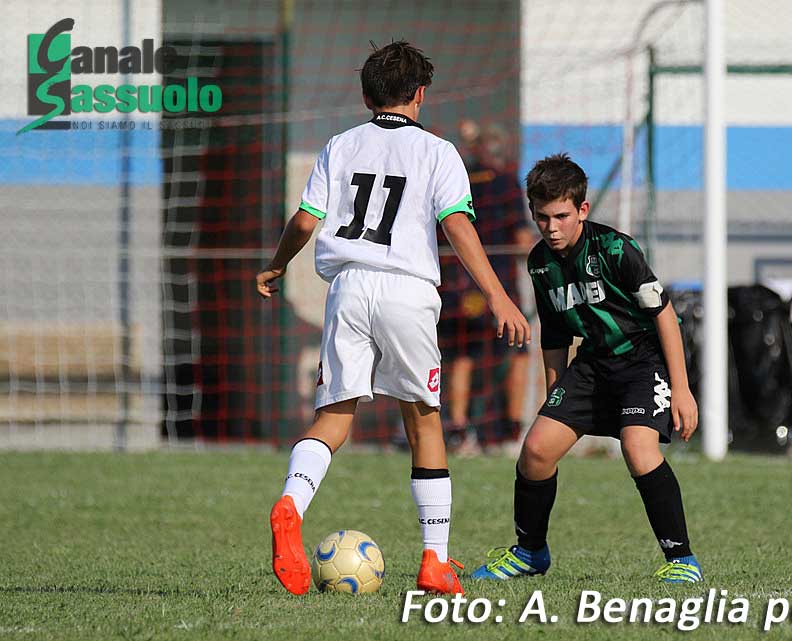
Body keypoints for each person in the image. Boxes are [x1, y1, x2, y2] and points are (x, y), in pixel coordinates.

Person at [256, 41, 530, 596]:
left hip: (348, 288)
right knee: (424, 420)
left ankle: (290, 503)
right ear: (421, 95)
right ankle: (434, 561)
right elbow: (458, 227)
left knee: (334, 415)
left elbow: (306, 223)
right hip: (407, 291)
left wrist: (276, 265)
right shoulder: (439, 152)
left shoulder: (339, 144)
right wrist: (500, 297)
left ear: (365, 95)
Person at [471, 153, 703, 583]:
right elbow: (556, 336)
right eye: (541, 217)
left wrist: (682, 389)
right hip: (592, 367)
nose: (551, 227)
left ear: (582, 210)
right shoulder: (539, 263)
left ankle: (681, 560)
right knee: (537, 450)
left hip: (640, 362)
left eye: (561, 216)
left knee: (638, 449)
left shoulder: (616, 249)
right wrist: (553, 401)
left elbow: (664, 315)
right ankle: (530, 552)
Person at [437, 122, 537, 452]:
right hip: (498, 285)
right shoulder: (507, 183)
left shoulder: (458, 180)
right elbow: (522, 239)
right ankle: (512, 427)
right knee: (520, 349)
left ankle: (458, 427)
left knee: (462, 352)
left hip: (457, 282)